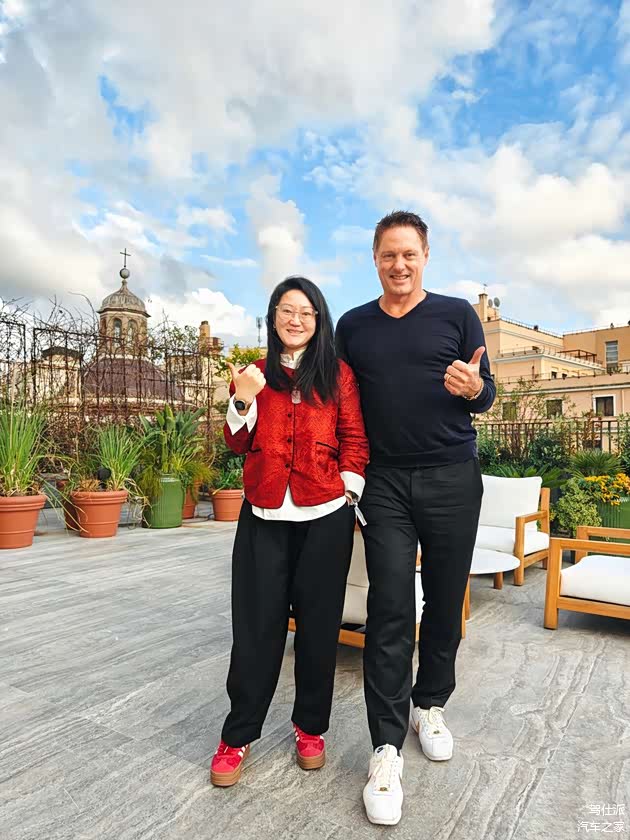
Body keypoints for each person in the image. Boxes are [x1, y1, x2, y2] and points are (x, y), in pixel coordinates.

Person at [335, 211, 496, 826]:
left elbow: (486, 394)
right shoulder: (354, 326)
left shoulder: (456, 315)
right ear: (374, 259)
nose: (399, 265)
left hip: (452, 476)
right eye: (388, 255)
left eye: (409, 254)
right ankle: (384, 745)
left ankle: (430, 705)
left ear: (425, 256)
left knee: (447, 597)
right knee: (391, 606)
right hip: (383, 484)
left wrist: (473, 390)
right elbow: (336, 397)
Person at [210, 275, 369, 787]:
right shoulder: (254, 374)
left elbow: (355, 437)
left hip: (325, 514)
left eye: (305, 311)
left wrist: (348, 490)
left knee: (319, 630)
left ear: (318, 319)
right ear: (273, 316)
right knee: (255, 630)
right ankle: (237, 735)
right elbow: (236, 443)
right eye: (286, 310)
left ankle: (311, 729)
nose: (295, 319)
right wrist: (242, 399)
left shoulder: (338, 374)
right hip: (263, 515)